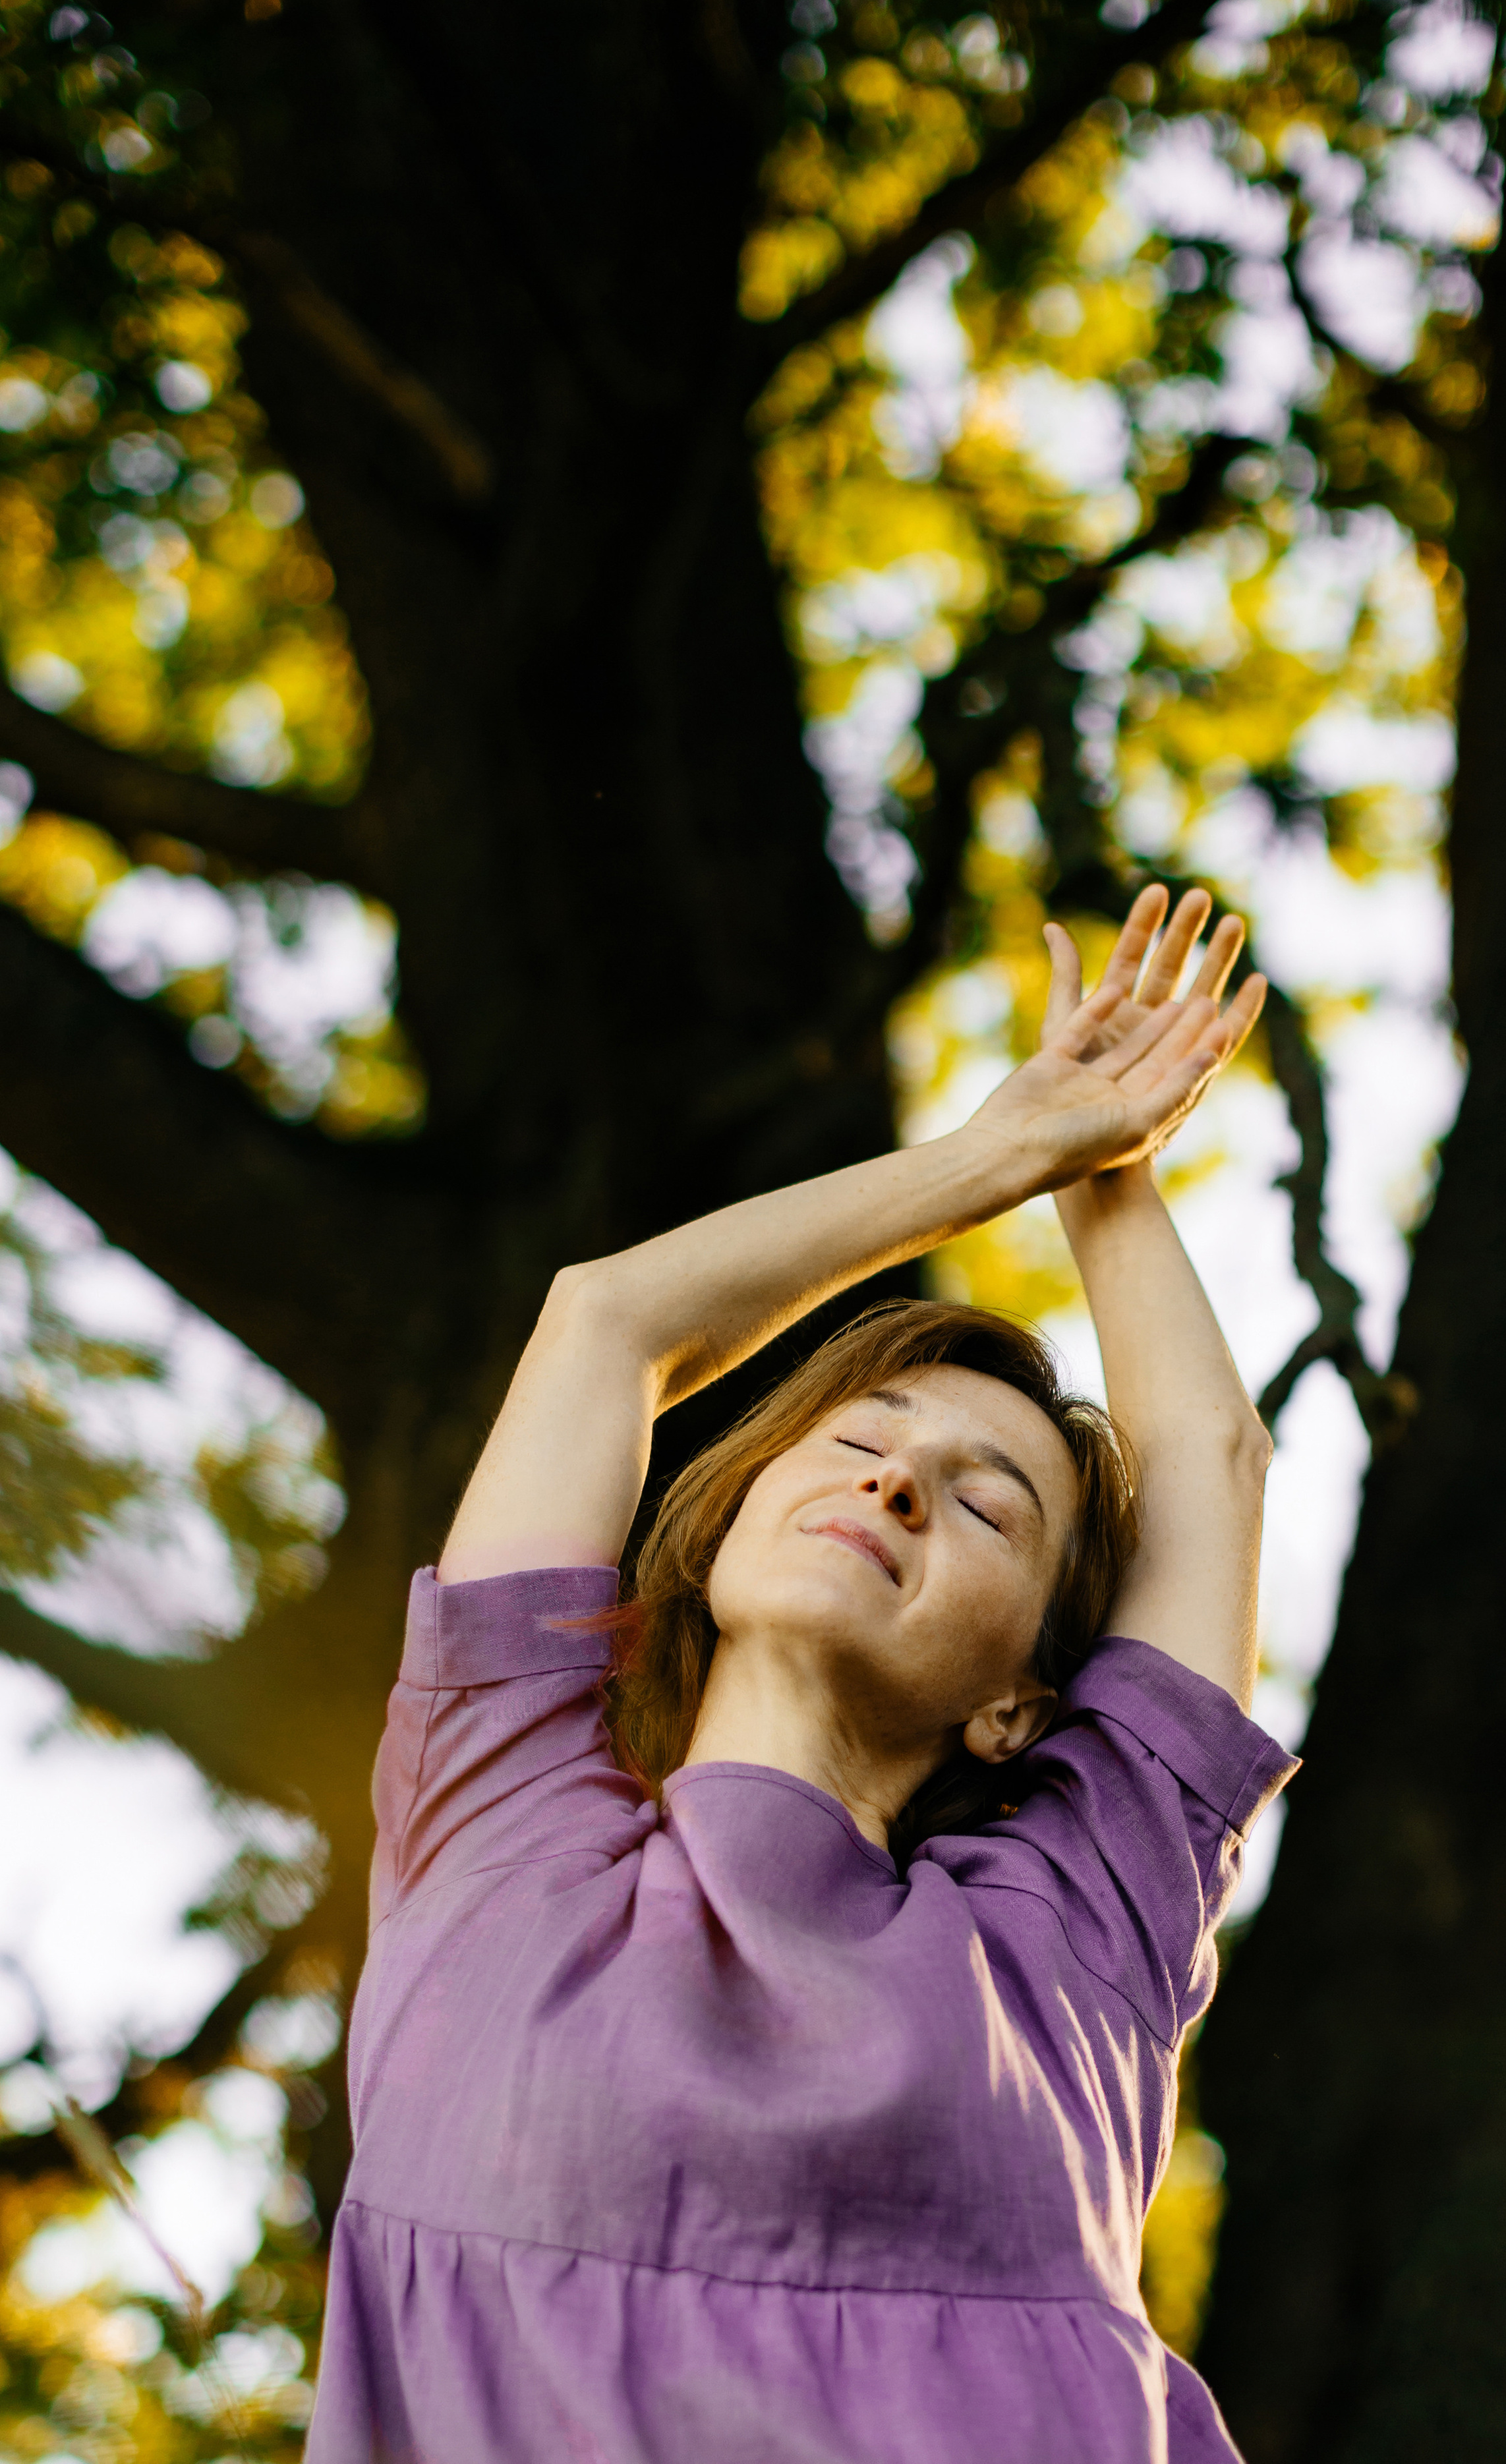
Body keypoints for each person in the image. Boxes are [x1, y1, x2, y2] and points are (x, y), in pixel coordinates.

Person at [307, 883, 1298, 2464]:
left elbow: (1209, 1461)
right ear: (719, 1530)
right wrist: (1007, 1152)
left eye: (985, 1505)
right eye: (856, 1442)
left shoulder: (1059, 1953)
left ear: (1017, 1706)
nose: (897, 1483)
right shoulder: (494, 1831)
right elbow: (607, 1322)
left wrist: (1107, 1171)